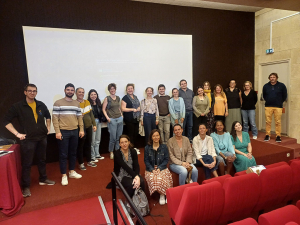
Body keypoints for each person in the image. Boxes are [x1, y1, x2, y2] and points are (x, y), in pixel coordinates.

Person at [4, 84, 55, 197]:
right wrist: (17, 134)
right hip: (28, 140)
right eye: (30, 91)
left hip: (42, 138)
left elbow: (47, 116)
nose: (32, 93)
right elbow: (6, 121)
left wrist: (47, 127)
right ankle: (26, 186)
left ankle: (43, 179)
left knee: (42, 160)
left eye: (34, 91)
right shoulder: (17, 106)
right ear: (25, 92)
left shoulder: (40, 104)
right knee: (27, 164)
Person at [53, 83, 84, 186]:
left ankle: (71, 171)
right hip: (63, 132)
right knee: (63, 154)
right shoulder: (58, 103)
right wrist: (57, 131)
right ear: (65, 90)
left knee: (73, 153)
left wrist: (81, 129)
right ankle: (63, 175)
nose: (70, 91)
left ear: (73, 92)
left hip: (75, 131)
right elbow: (55, 118)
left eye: (72, 90)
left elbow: (79, 117)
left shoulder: (76, 103)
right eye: (68, 90)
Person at [144, 129, 173, 205]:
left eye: (157, 135)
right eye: (154, 136)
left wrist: (159, 168)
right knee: (154, 178)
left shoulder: (164, 147)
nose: (156, 137)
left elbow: (166, 159)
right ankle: (162, 195)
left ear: (160, 137)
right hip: (151, 168)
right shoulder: (147, 148)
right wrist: (152, 169)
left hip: (162, 167)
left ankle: (166, 194)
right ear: (151, 137)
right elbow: (146, 161)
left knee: (163, 177)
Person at [76, 87, 97, 170]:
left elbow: (91, 114)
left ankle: (89, 161)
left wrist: (94, 124)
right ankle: (81, 163)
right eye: (79, 92)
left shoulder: (87, 102)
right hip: (80, 128)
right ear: (76, 93)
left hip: (89, 126)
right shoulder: (74, 103)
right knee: (80, 146)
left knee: (88, 144)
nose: (81, 93)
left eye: (82, 92)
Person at [262, 73, 287, 142]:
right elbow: (264, 95)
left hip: (278, 107)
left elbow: (285, 95)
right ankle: (267, 135)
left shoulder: (281, 85)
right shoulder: (266, 86)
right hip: (268, 106)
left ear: (276, 78)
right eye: (271, 77)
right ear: (269, 78)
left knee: (278, 122)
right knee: (268, 121)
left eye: (274, 77)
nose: (272, 78)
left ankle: (278, 136)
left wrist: (280, 101)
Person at [102, 83, 123, 160]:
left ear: (115, 89)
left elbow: (119, 107)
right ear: (109, 90)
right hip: (112, 120)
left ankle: (117, 151)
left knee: (119, 137)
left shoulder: (118, 98)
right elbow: (103, 109)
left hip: (119, 119)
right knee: (113, 138)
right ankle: (111, 152)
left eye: (113, 89)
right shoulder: (107, 98)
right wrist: (108, 118)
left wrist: (121, 115)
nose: (112, 90)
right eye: (111, 89)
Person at [121, 83, 140, 154]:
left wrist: (139, 108)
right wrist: (132, 109)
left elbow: (138, 105)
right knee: (130, 134)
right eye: (128, 89)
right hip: (129, 118)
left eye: (131, 88)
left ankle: (134, 147)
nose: (130, 90)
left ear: (133, 89)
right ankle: (131, 148)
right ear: (126, 90)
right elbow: (123, 109)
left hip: (136, 118)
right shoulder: (125, 98)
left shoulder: (135, 97)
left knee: (135, 133)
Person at [88, 89, 105, 161]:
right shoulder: (88, 104)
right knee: (93, 140)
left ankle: (97, 154)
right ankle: (92, 156)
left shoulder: (98, 103)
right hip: (92, 122)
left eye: (95, 94)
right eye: (92, 94)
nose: (93, 96)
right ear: (89, 96)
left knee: (98, 139)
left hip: (99, 122)